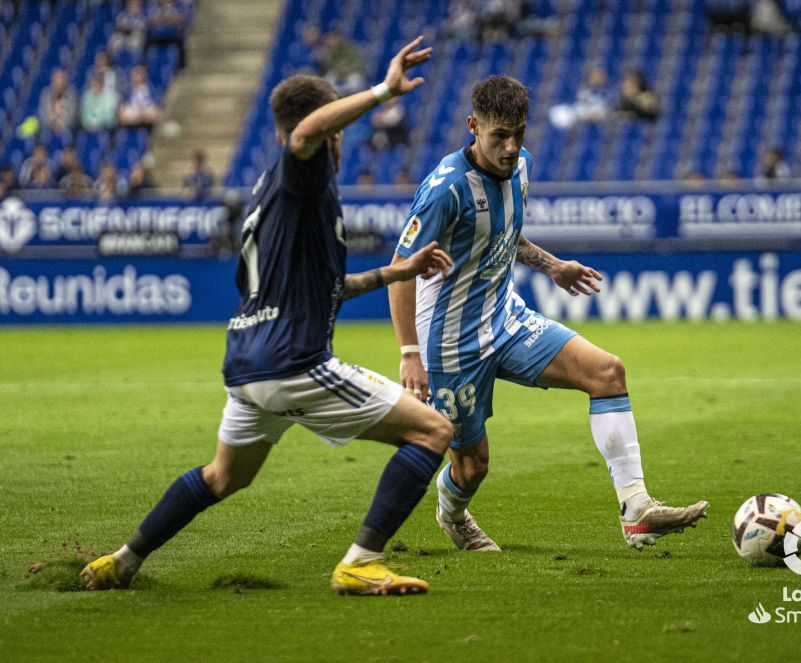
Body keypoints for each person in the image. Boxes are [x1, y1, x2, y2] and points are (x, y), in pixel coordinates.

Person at [81, 37, 457, 597]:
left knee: (222, 476)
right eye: (338, 131)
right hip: (293, 363)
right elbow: (305, 134)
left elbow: (325, 287)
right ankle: (362, 561)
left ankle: (124, 560)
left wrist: (393, 275)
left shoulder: (269, 194)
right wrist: (382, 90)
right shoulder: (302, 172)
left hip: (247, 367)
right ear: (326, 129)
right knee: (433, 431)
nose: (340, 142)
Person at [388, 76, 708, 553]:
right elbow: (400, 269)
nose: (511, 146)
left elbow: (504, 233)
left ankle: (636, 508)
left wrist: (552, 265)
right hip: (451, 344)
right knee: (473, 467)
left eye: (519, 133)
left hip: (507, 319)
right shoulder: (445, 190)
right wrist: (410, 353)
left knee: (607, 371)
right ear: (473, 127)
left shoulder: (522, 168)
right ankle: (453, 514)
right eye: (499, 136)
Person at [39, 68, 78, 134]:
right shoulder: (46, 94)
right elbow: (43, 116)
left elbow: (72, 116)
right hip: (49, 128)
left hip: (66, 129)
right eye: (56, 80)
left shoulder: (71, 93)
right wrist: (53, 117)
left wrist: (61, 125)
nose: (59, 83)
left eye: (62, 80)